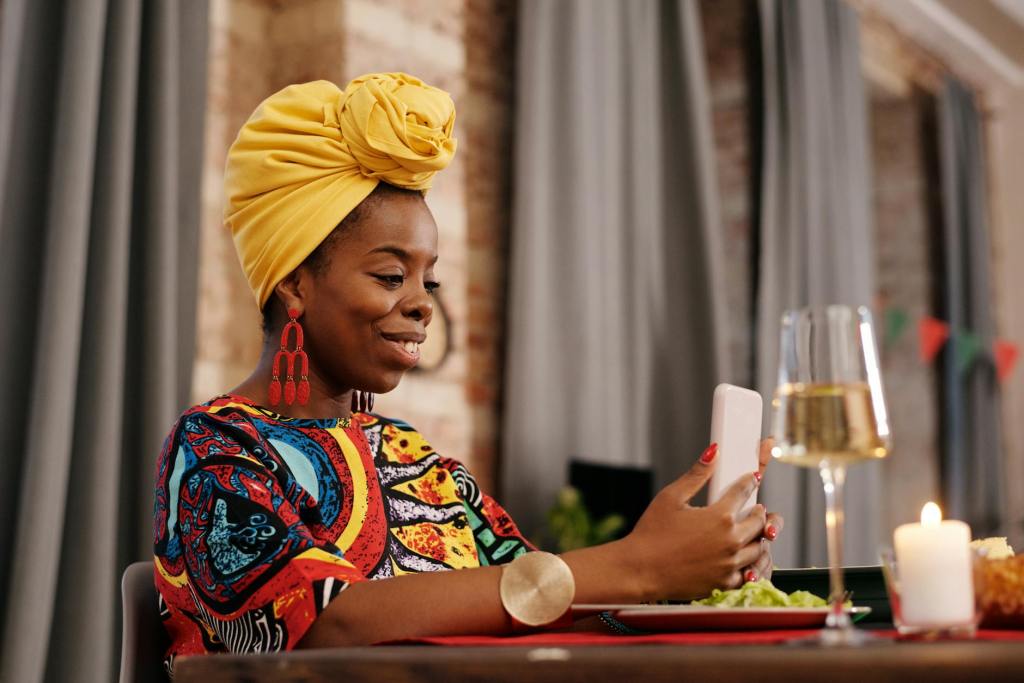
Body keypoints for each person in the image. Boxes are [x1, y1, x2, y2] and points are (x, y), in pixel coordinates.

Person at [152, 73, 783, 671]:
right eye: (391, 276)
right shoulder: (215, 448)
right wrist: (634, 566)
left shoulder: (411, 457)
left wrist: (690, 575)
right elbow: (325, 627)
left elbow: (550, 608)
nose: (425, 302)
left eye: (429, 279)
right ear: (293, 281)